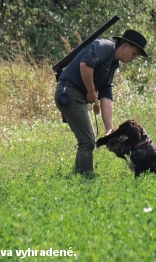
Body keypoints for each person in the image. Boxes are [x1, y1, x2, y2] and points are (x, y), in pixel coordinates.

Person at [54, 29, 148, 174]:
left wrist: (109, 130)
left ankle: (80, 176)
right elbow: (85, 65)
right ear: (125, 46)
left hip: (75, 95)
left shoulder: (113, 63)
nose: (133, 58)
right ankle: (85, 179)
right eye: (134, 53)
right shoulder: (105, 46)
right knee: (87, 141)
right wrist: (91, 91)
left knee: (86, 140)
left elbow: (106, 95)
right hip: (69, 93)